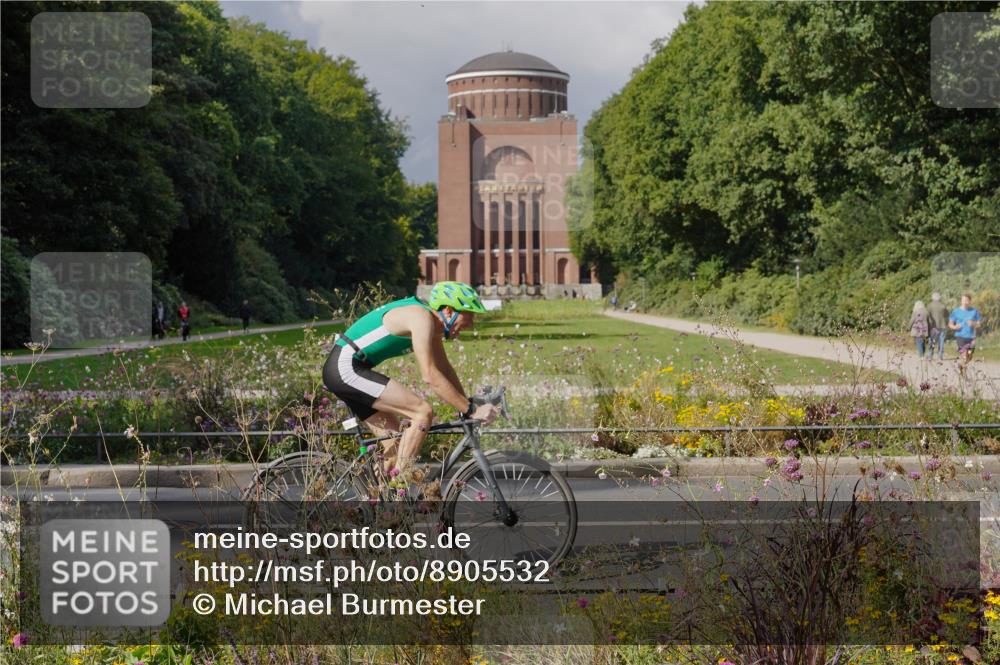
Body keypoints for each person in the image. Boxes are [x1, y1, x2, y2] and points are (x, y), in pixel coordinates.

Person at [321, 281, 499, 491]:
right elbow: (430, 375)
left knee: (396, 447)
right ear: (449, 310)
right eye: (468, 314)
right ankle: (400, 493)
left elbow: (445, 370)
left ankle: (376, 507)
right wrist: (472, 410)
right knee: (422, 413)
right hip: (345, 368)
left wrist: (466, 406)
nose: (471, 323)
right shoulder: (421, 318)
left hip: (350, 369)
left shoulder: (431, 325)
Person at [948, 292, 981, 372]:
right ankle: (963, 374)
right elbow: (950, 324)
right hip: (960, 337)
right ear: (961, 301)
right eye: (963, 300)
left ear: (970, 301)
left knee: (969, 356)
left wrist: (973, 323)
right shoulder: (956, 311)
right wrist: (955, 327)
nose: (964, 302)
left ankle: (961, 366)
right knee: (964, 355)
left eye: (966, 300)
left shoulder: (974, 311)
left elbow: (979, 324)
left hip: (971, 338)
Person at [927, 292, 949, 360]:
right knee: (941, 340)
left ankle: (930, 355)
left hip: (933, 326)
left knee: (932, 340)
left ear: (932, 298)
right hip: (942, 326)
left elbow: (927, 315)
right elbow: (947, 315)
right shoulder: (943, 306)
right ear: (939, 298)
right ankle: (940, 355)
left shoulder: (929, 305)